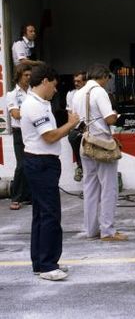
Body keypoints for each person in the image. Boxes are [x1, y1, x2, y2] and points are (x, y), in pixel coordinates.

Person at [20, 64, 80, 280]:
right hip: (41, 163)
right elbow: (50, 136)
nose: (56, 90)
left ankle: (41, 261)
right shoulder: (34, 105)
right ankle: (47, 265)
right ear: (44, 81)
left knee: (41, 214)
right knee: (50, 214)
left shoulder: (40, 103)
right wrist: (71, 124)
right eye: (54, 86)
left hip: (40, 162)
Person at [72, 64, 126, 241]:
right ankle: (108, 231)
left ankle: (91, 229)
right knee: (109, 187)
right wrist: (117, 114)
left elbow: (74, 120)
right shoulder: (99, 92)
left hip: (85, 142)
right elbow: (109, 118)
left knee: (90, 187)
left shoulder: (77, 93)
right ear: (104, 77)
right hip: (102, 142)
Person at [6, 64, 32, 210]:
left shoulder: (33, 91)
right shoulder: (12, 94)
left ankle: (28, 196)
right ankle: (15, 197)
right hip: (19, 132)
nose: (28, 78)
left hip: (32, 131)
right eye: (25, 75)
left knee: (31, 164)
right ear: (19, 76)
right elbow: (15, 114)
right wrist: (32, 111)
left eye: (30, 75)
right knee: (21, 165)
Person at [67, 71, 87, 182]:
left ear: (85, 81)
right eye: (74, 81)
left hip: (91, 125)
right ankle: (80, 166)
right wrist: (69, 128)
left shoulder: (91, 93)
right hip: (77, 126)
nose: (76, 83)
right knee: (72, 137)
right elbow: (69, 113)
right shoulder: (71, 94)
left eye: (78, 81)